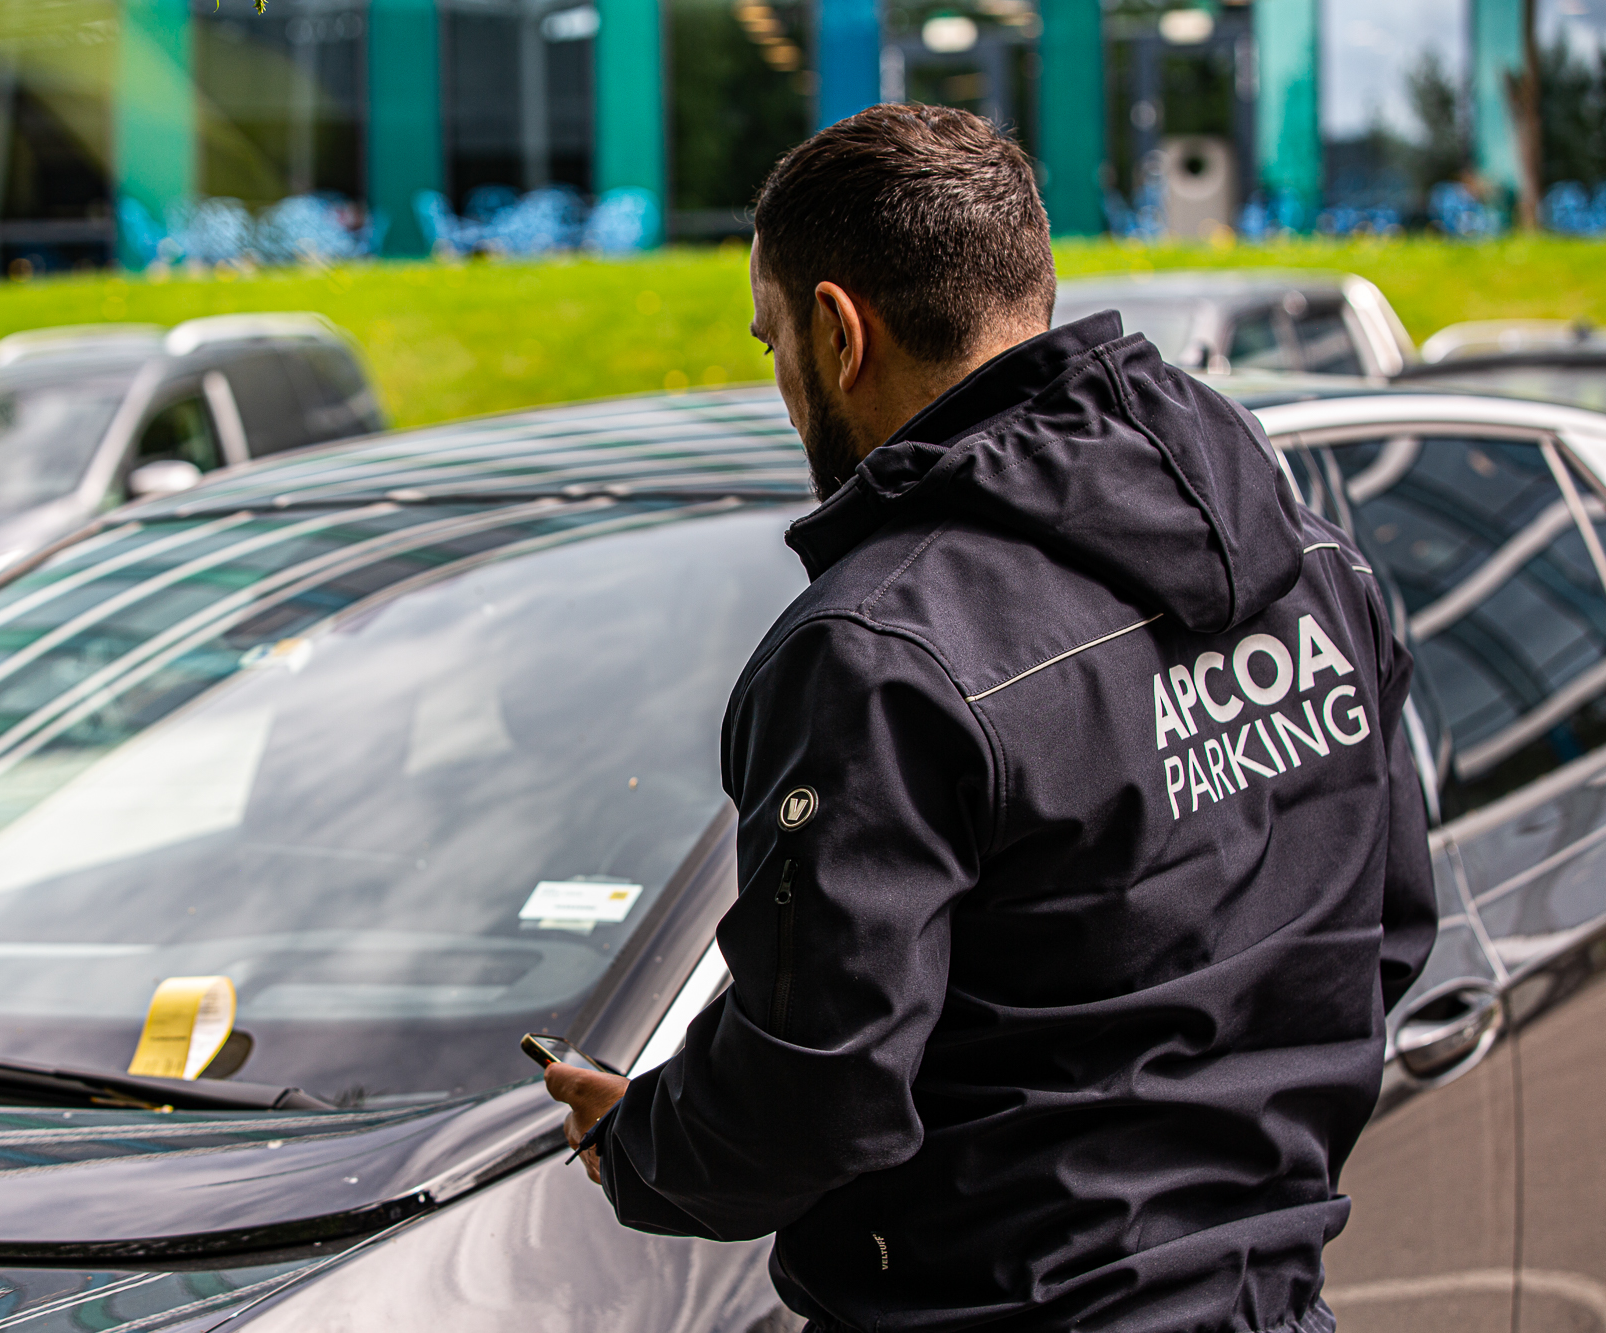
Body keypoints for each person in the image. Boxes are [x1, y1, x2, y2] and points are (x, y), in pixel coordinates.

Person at [543, 103, 1436, 1333]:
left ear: (836, 330)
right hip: (1268, 1302)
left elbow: (819, 1090)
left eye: (771, 343)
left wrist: (641, 1139)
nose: (782, 382)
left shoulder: (878, 652)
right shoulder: (1310, 558)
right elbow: (1380, 935)